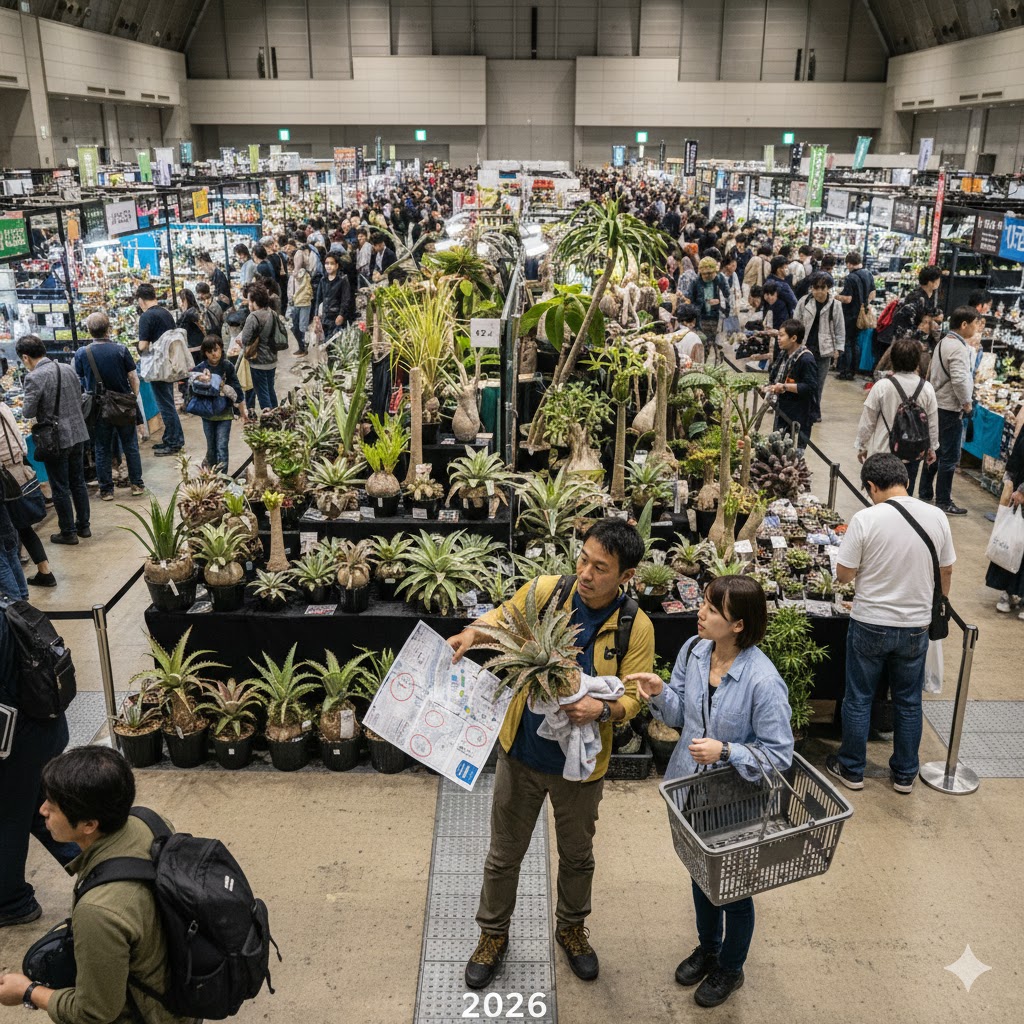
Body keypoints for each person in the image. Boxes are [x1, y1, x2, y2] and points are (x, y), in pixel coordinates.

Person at [446, 520, 655, 989]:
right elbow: (501, 620)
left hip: (579, 769)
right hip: (521, 753)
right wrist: (470, 635)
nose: (585, 572)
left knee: (578, 856)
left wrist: (601, 708)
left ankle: (572, 929)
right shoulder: (546, 592)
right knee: (503, 854)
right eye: (583, 559)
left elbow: (637, 694)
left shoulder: (634, 627)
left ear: (626, 576)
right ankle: (492, 935)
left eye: (601, 568)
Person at [625, 576, 793, 1008]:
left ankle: (731, 969)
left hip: (735, 800)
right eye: (704, 603)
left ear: (738, 624)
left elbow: (779, 757)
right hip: (690, 789)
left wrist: (728, 751)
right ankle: (709, 948)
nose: (701, 612)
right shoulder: (694, 651)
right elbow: (682, 715)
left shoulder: (763, 682)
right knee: (701, 874)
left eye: (713, 609)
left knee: (734, 889)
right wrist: (661, 694)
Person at [0, 747, 196, 1022]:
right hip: (180, 988)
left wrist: (28, 991)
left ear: (89, 824)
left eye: (52, 807)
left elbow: (95, 1012)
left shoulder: (99, 911)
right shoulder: (149, 821)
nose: (42, 809)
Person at [829, 453, 955, 795]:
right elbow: (946, 571)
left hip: (870, 621)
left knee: (859, 698)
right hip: (915, 626)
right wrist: (936, 603)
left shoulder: (865, 519)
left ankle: (853, 770)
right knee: (909, 701)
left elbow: (844, 575)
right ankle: (904, 775)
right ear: (907, 480)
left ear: (871, 486)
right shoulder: (937, 516)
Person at [0, 609, 79, 929]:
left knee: (7, 816)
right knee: (38, 808)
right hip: (40, 724)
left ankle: (11, 902)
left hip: (18, 740)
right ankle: (95, 865)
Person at [17, 335, 93, 540]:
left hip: (55, 439)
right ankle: (84, 526)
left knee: (60, 486)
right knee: (78, 482)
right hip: (78, 432)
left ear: (25, 357)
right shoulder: (67, 368)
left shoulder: (34, 377)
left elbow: (27, 412)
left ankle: (68, 532)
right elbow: (79, 397)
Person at [73, 312, 146, 501]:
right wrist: (132, 397)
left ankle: (106, 490)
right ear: (108, 328)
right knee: (130, 445)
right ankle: (136, 484)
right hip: (123, 405)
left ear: (89, 330)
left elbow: (79, 378)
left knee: (101, 448)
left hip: (98, 408)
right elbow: (133, 377)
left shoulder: (83, 352)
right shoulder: (121, 350)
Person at [918, 306, 983, 516]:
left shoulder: (944, 342)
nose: (976, 328)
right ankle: (944, 501)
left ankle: (926, 491)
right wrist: (967, 403)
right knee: (949, 457)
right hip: (949, 407)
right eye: (975, 323)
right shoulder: (958, 348)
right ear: (964, 324)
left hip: (937, 404)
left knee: (934, 450)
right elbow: (960, 379)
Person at [855, 337, 939, 496]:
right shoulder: (927, 388)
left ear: (893, 360)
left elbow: (868, 420)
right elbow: (932, 423)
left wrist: (862, 445)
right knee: (905, 497)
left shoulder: (882, 386)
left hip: (883, 450)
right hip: (913, 453)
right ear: (917, 361)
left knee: (878, 496)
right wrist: (932, 448)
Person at [0, 400, 53, 587]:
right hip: (18, 469)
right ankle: (44, 570)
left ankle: (17, 591)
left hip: (5, 476)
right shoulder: (4, 407)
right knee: (22, 526)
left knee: (8, 533)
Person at [135, 284, 183, 457]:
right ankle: (170, 437)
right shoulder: (166, 313)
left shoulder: (147, 317)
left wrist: (138, 349)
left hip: (158, 368)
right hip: (169, 365)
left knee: (165, 405)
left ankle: (174, 442)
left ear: (141, 300)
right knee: (168, 402)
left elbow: (143, 345)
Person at [189, 335, 247, 471]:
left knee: (222, 445)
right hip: (207, 413)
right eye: (210, 351)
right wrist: (202, 381)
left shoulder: (227, 366)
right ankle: (213, 474)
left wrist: (243, 411)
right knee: (211, 446)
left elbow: (237, 389)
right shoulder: (200, 368)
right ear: (205, 353)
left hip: (224, 413)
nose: (214, 354)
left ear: (221, 349)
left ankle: (223, 479)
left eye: (216, 350)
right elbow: (191, 390)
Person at [987, 408, 1024, 618]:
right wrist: (1010, 478)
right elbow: (1019, 446)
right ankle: (1008, 592)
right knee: (1014, 541)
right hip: (1019, 487)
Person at [794, 272, 845, 412]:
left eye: (822, 288)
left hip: (824, 350)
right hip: (804, 349)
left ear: (828, 288)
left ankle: (814, 410)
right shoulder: (803, 302)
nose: (819, 292)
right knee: (802, 381)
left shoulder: (835, 305)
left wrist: (838, 349)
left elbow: (840, 328)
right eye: (815, 288)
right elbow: (795, 323)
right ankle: (802, 409)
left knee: (818, 383)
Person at [766, 318, 818, 451]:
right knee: (776, 449)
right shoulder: (784, 355)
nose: (778, 339)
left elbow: (810, 387)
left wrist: (784, 387)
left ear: (794, 338)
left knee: (795, 453)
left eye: (782, 335)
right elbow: (775, 377)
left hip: (800, 414)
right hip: (783, 410)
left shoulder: (806, 359)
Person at [237, 283, 278, 412]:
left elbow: (245, 340)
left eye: (250, 301)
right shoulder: (272, 313)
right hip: (272, 359)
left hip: (258, 361)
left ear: (254, 302)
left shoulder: (253, 317)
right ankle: (277, 413)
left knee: (262, 392)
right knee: (270, 389)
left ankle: (270, 418)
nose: (249, 304)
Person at [835, 253, 872, 379]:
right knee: (855, 342)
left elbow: (848, 299)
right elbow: (873, 294)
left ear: (849, 263)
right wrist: (864, 303)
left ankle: (846, 371)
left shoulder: (850, 278)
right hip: (862, 314)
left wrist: (835, 296)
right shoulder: (868, 274)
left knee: (847, 343)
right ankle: (854, 370)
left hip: (850, 315)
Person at [313, 253, 354, 338]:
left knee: (335, 342)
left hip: (337, 317)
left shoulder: (342, 280)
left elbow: (345, 300)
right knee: (326, 343)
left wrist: (341, 315)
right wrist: (316, 315)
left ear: (337, 265)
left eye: (331, 263)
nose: (328, 266)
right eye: (327, 263)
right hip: (325, 316)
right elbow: (318, 298)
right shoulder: (323, 280)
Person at [288, 248, 314, 356]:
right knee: (296, 326)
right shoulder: (297, 274)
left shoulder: (303, 274)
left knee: (301, 327)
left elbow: (300, 289)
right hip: (298, 303)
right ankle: (302, 347)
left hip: (302, 303)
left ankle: (304, 348)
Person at [176, 288, 205, 364]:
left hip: (193, 349)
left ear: (184, 300)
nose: (179, 303)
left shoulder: (189, 313)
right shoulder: (195, 311)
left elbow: (181, 329)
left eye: (180, 300)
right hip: (198, 347)